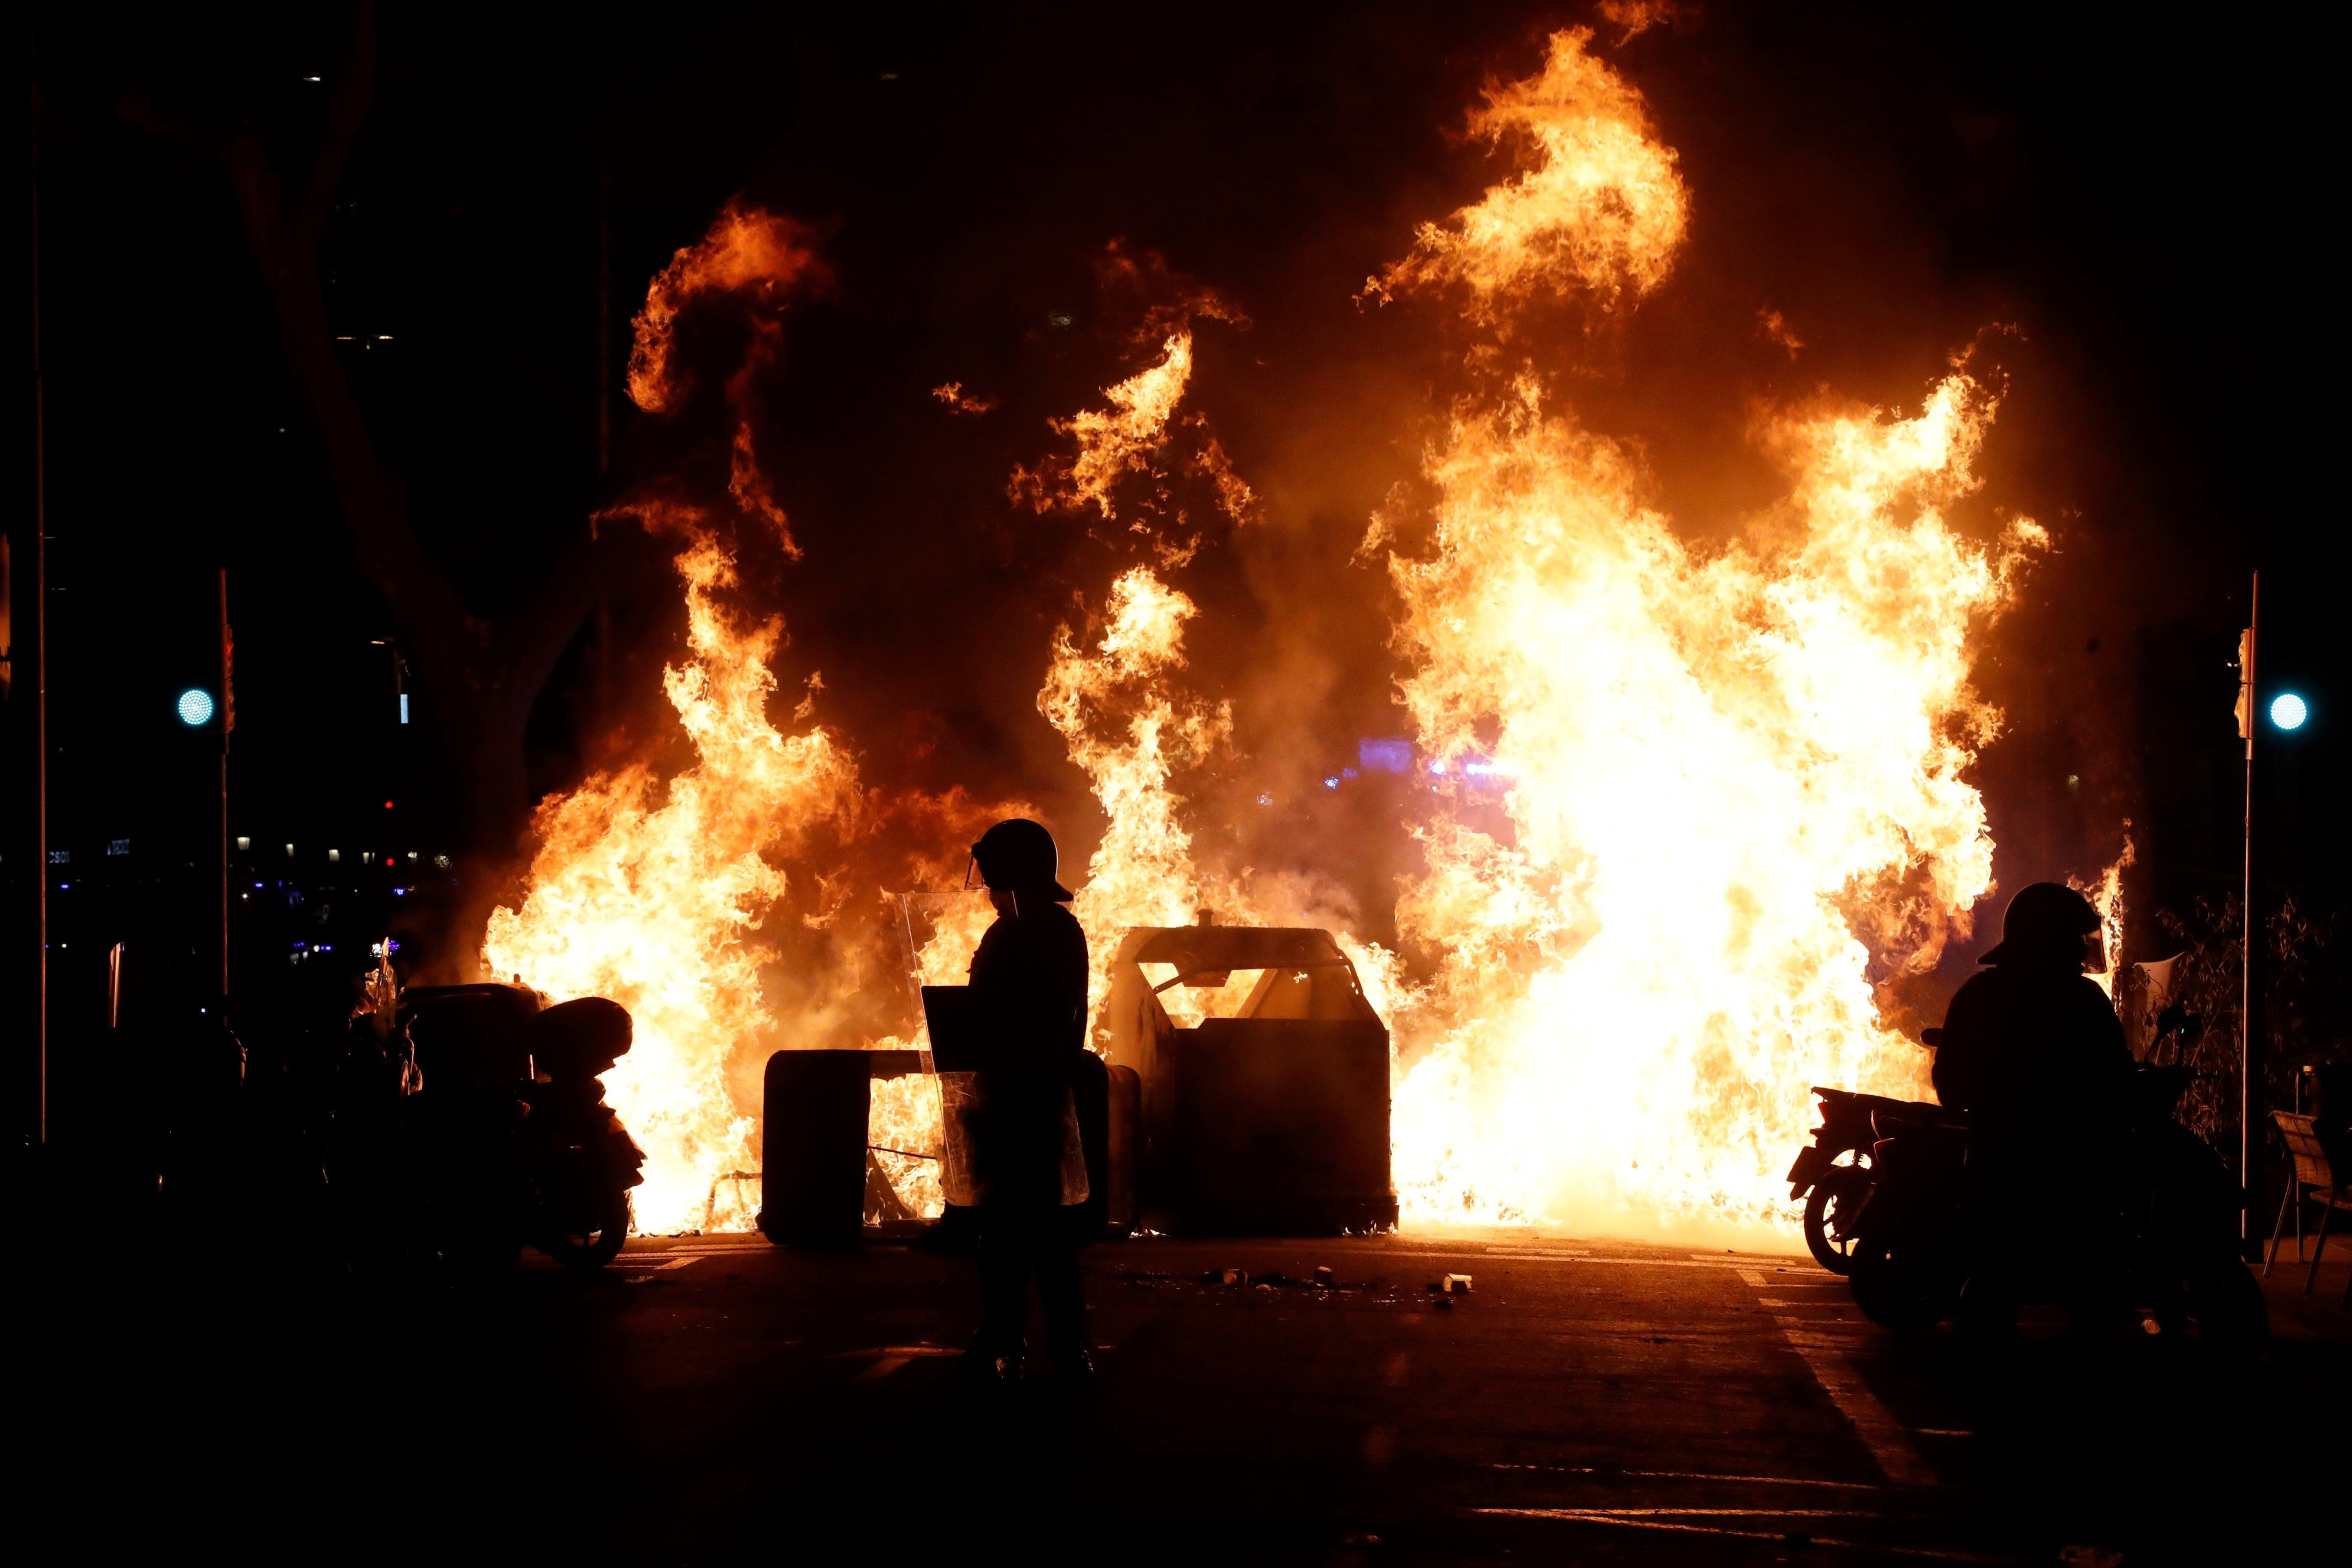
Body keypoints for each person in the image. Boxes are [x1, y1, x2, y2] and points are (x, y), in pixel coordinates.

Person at [1933, 881, 2135, 1340]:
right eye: (2074, 938)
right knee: (2093, 1296)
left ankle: (1988, 1397)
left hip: (1997, 1176)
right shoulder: (2085, 1004)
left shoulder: (1978, 996)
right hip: (2077, 1181)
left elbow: (1951, 1089)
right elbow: (2120, 1085)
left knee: (1992, 1296)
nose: (2082, 950)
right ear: (2052, 938)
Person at [959, 818, 1093, 1384]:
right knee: (1023, 1227)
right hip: (1019, 1092)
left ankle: (1049, 1342)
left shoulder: (1027, 933)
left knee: (1032, 1227)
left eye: (993, 877)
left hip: (1023, 1096)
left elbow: (1017, 1014)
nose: (987, 890)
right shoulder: (1044, 929)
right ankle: (1019, 1334)